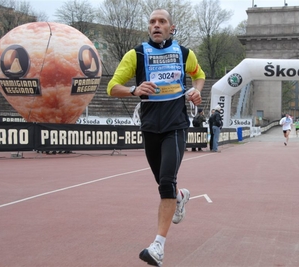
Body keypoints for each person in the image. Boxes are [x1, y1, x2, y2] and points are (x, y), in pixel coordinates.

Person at [106, 9, 205, 267]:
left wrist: (195, 91)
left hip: (176, 125)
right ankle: (180, 197)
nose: (156, 25)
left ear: (172, 28)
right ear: (148, 28)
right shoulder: (136, 54)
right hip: (150, 127)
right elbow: (111, 86)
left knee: (165, 183)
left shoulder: (185, 53)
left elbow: (199, 75)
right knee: (166, 186)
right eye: (152, 22)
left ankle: (158, 247)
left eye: (162, 22)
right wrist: (133, 89)